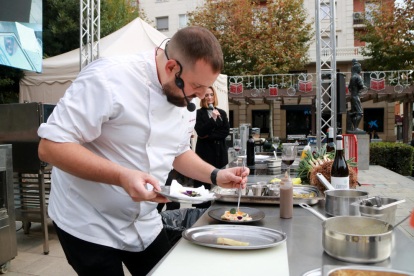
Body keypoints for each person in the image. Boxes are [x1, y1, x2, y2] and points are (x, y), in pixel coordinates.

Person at [37, 26, 249, 276]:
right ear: (171, 67)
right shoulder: (107, 77)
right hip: (88, 220)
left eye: (207, 88)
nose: (201, 96)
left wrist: (216, 175)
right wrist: (122, 176)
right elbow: (50, 147)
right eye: (196, 86)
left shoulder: (183, 95)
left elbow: (178, 152)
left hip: (145, 222)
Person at [193, 86, 230, 208]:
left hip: (220, 155)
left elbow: (225, 132)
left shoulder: (222, 113)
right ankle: (200, 214)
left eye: (211, 94)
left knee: (220, 188)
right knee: (203, 188)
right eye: (207, 95)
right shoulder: (198, 113)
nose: (209, 97)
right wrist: (212, 120)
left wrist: (209, 136)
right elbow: (201, 132)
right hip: (205, 155)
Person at [346, 59, 366, 134]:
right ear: (357, 68)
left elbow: (349, 88)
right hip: (356, 96)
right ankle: (356, 128)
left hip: (352, 96)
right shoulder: (358, 77)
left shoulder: (352, 77)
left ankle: (352, 126)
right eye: (359, 68)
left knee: (354, 112)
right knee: (360, 113)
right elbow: (361, 86)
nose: (360, 69)